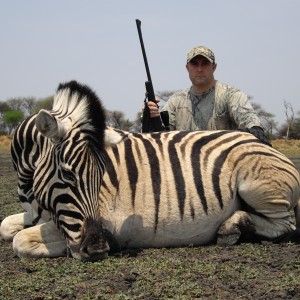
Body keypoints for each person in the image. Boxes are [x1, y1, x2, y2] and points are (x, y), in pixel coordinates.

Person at [147, 45, 271, 145]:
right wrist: (151, 117)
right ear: (187, 68)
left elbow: (249, 119)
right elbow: (163, 135)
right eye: (195, 64)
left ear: (214, 67)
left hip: (224, 166)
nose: (199, 69)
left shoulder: (231, 95)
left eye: (205, 63)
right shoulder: (175, 101)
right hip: (184, 168)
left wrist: (255, 129)